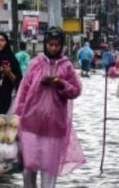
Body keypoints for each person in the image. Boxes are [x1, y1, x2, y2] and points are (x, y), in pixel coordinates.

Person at [14, 28, 85, 187]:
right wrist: (17, 116)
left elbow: (76, 90)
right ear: (45, 44)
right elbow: (23, 91)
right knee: (28, 167)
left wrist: (61, 83)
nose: (53, 48)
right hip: (29, 123)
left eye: (57, 45)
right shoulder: (35, 63)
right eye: (50, 44)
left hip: (54, 125)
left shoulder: (67, 67)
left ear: (61, 46)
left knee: (49, 169)